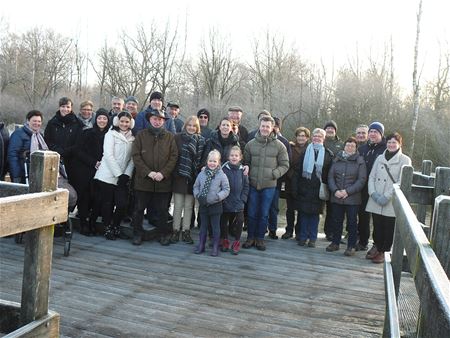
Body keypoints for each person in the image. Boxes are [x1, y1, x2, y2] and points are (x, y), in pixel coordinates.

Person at [131, 108, 178, 246]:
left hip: (163, 181)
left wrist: (163, 173)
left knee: (163, 210)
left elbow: (174, 157)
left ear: (164, 121)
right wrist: (148, 172)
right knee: (139, 209)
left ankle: (162, 234)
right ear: (150, 120)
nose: (157, 122)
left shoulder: (170, 137)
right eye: (154, 119)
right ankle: (137, 234)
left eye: (160, 119)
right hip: (143, 180)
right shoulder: (141, 135)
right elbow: (136, 156)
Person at [243, 116, 289, 251]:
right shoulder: (250, 144)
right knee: (251, 212)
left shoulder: (279, 145)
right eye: (262, 126)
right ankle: (250, 237)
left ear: (272, 128)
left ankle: (260, 239)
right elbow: (246, 162)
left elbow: (285, 165)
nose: (264, 128)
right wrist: (247, 170)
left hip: (269, 186)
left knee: (264, 213)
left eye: (267, 126)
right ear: (259, 126)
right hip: (252, 184)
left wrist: (274, 174)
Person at [365, 132, 411, 263]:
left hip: (390, 199)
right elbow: (372, 176)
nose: (391, 145)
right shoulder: (380, 157)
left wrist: (386, 197)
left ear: (399, 144)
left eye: (394, 143)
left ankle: (384, 251)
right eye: (389, 142)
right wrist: (372, 193)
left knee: (389, 226)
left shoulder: (405, 160)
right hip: (376, 196)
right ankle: (377, 246)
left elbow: (402, 181)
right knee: (377, 224)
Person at [94, 111, 135, 240]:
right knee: (108, 203)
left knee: (122, 203)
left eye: (127, 122)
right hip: (108, 174)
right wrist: (118, 174)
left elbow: (132, 159)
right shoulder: (110, 134)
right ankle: (107, 228)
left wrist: (126, 175)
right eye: (122, 121)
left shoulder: (133, 138)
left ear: (130, 123)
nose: (124, 124)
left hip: (123, 177)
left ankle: (116, 226)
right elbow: (108, 155)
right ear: (117, 121)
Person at [72, 108, 110, 236]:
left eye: (104, 118)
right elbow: (78, 151)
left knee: (98, 198)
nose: (102, 121)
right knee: (85, 198)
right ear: (96, 119)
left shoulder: (110, 135)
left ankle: (93, 223)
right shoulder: (87, 133)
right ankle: (83, 224)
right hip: (86, 169)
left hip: (104, 170)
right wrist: (93, 162)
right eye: (99, 118)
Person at [326, 137, 367, 256]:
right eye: (347, 145)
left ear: (355, 148)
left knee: (352, 223)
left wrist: (347, 192)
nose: (349, 148)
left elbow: (361, 180)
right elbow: (330, 177)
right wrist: (335, 190)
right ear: (344, 146)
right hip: (337, 196)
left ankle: (351, 246)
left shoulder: (360, 161)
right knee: (336, 221)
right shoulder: (337, 159)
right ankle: (335, 243)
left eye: (352, 146)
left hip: (352, 198)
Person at [293, 128, 333, 248]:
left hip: (319, 190)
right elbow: (297, 171)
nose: (317, 138)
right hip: (304, 188)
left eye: (319, 136)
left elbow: (330, 173)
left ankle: (312, 239)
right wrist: (296, 188)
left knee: (315, 216)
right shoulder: (305, 151)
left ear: (323, 138)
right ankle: (303, 237)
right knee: (304, 214)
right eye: (315, 136)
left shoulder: (328, 154)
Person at [171, 116, 206, 244]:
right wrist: (175, 173)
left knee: (189, 207)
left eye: (194, 126)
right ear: (185, 126)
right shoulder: (177, 138)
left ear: (197, 128)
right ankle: (175, 231)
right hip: (179, 176)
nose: (191, 128)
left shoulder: (201, 141)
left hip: (193, 177)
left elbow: (202, 160)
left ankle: (186, 231)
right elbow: (173, 156)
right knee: (178, 205)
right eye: (189, 125)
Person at [356, 121, 387, 252]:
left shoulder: (386, 149)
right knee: (362, 216)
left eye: (376, 132)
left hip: (378, 188)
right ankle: (363, 241)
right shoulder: (363, 149)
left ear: (381, 134)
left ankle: (377, 244)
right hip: (363, 187)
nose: (373, 134)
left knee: (378, 218)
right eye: (371, 132)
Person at [193, 150, 230, 256]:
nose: (212, 163)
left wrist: (218, 197)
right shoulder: (202, 174)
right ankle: (201, 245)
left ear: (218, 162)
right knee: (203, 226)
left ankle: (215, 246)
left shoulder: (221, 175)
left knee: (215, 227)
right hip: (203, 204)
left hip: (216, 205)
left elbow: (226, 189)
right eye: (210, 161)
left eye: (215, 161)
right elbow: (196, 186)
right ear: (207, 161)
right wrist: (197, 195)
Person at [44, 97, 83, 184]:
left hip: (72, 161)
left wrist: (66, 151)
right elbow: (47, 140)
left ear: (71, 108)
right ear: (59, 107)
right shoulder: (52, 123)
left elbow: (79, 143)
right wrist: (58, 150)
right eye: (63, 106)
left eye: (68, 107)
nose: (65, 109)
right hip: (55, 159)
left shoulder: (78, 123)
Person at [282, 126, 310, 240]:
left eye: (303, 136)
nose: (301, 138)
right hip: (290, 181)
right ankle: (289, 230)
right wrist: (290, 175)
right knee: (290, 208)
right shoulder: (290, 147)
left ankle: (299, 231)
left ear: (307, 138)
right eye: (299, 135)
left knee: (301, 209)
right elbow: (286, 162)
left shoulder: (310, 149)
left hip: (304, 183)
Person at [220, 146, 249, 254]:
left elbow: (246, 186)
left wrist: (243, 199)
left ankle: (236, 242)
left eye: (236, 156)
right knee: (224, 221)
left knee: (240, 220)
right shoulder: (224, 169)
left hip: (238, 201)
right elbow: (220, 184)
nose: (234, 157)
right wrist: (222, 198)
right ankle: (225, 240)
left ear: (240, 157)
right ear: (228, 157)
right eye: (232, 155)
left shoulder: (243, 170)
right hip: (226, 200)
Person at [267, 117, 291, 239]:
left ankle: (272, 229)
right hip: (260, 181)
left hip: (276, 181)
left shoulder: (284, 142)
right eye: (273, 125)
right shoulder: (262, 139)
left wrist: (278, 176)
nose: (274, 127)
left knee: (274, 208)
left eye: (276, 125)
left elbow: (287, 163)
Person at [8, 110, 47, 183]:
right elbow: (12, 155)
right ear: (28, 121)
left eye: (39, 121)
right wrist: (16, 175)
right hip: (23, 174)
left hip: (37, 174)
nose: (37, 123)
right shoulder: (18, 134)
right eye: (34, 121)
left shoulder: (40, 136)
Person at [322, 120, 342, 241]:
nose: (330, 130)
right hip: (320, 179)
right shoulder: (320, 140)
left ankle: (331, 232)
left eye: (332, 129)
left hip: (335, 180)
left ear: (335, 131)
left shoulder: (341, 144)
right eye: (327, 128)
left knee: (333, 208)